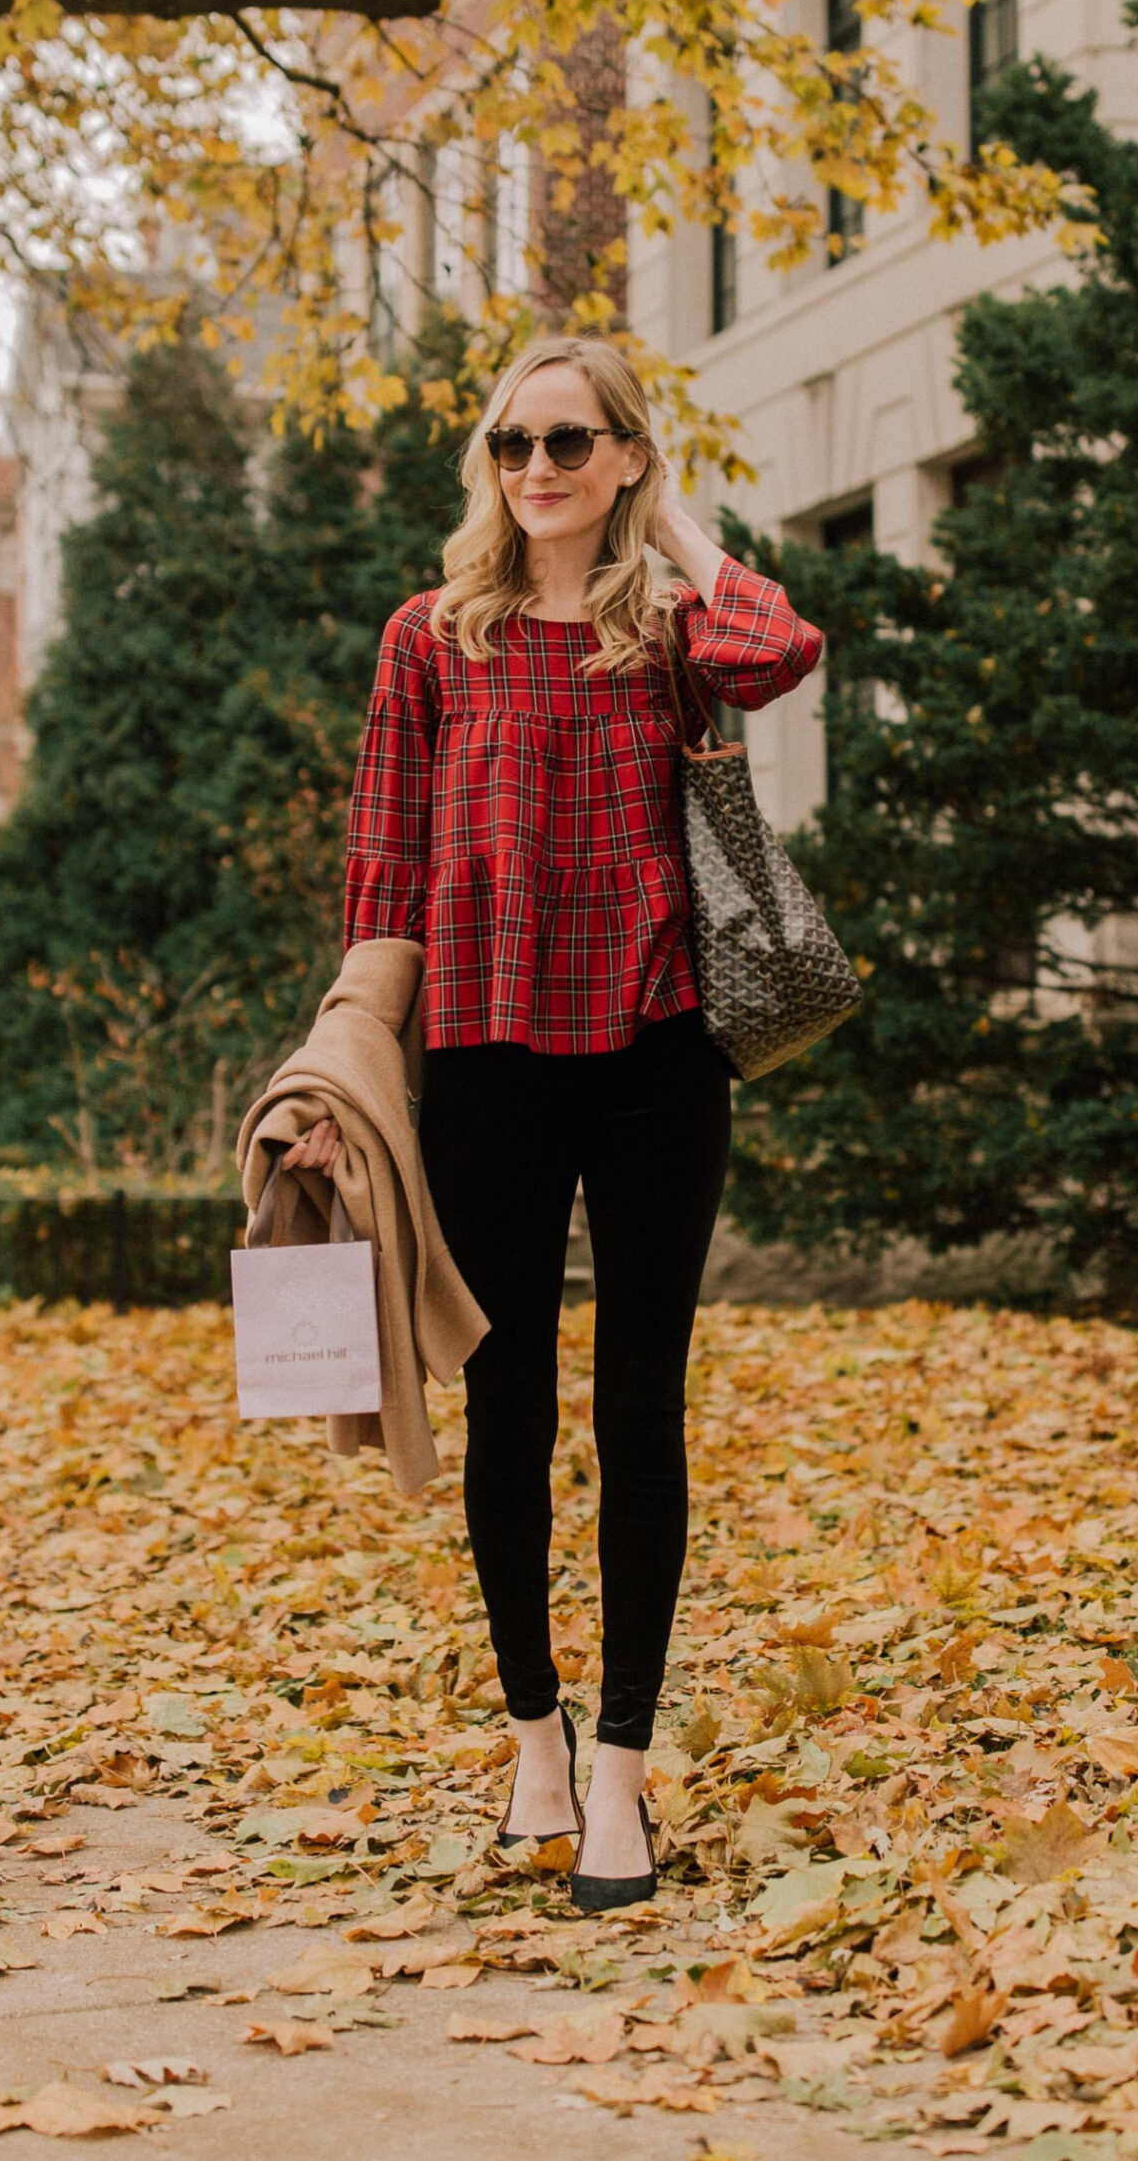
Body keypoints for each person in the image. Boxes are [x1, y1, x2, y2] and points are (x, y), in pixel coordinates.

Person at [281, 334, 824, 1908]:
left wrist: (669, 534)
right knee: (507, 1406)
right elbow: (383, 877)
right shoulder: (431, 639)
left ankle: (622, 1777)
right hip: (488, 1059)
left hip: (659, 1053)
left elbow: (783, 647)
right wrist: (341, 1076)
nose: (537, 468)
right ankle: (533, 1735)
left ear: (629, 455)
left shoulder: (672, 630)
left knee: (641, 1401)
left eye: (572, 441)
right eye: (512, 442)